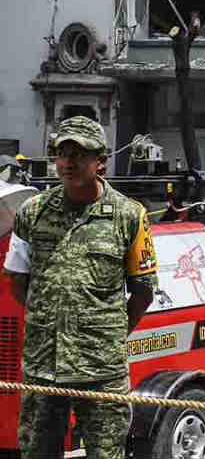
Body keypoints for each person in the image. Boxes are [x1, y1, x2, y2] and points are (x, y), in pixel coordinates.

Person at [2, 116, 157, 459]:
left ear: (100, 160)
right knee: (37, 452)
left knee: (106, 453)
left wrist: (109, 335)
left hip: (101, 368)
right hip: (43, 365)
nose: (68, 162)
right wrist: (49, 323)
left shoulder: (129, 216)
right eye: (62, 153)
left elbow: (143, 291)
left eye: (80, 154)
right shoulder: (32, 212)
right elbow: (17, 281)